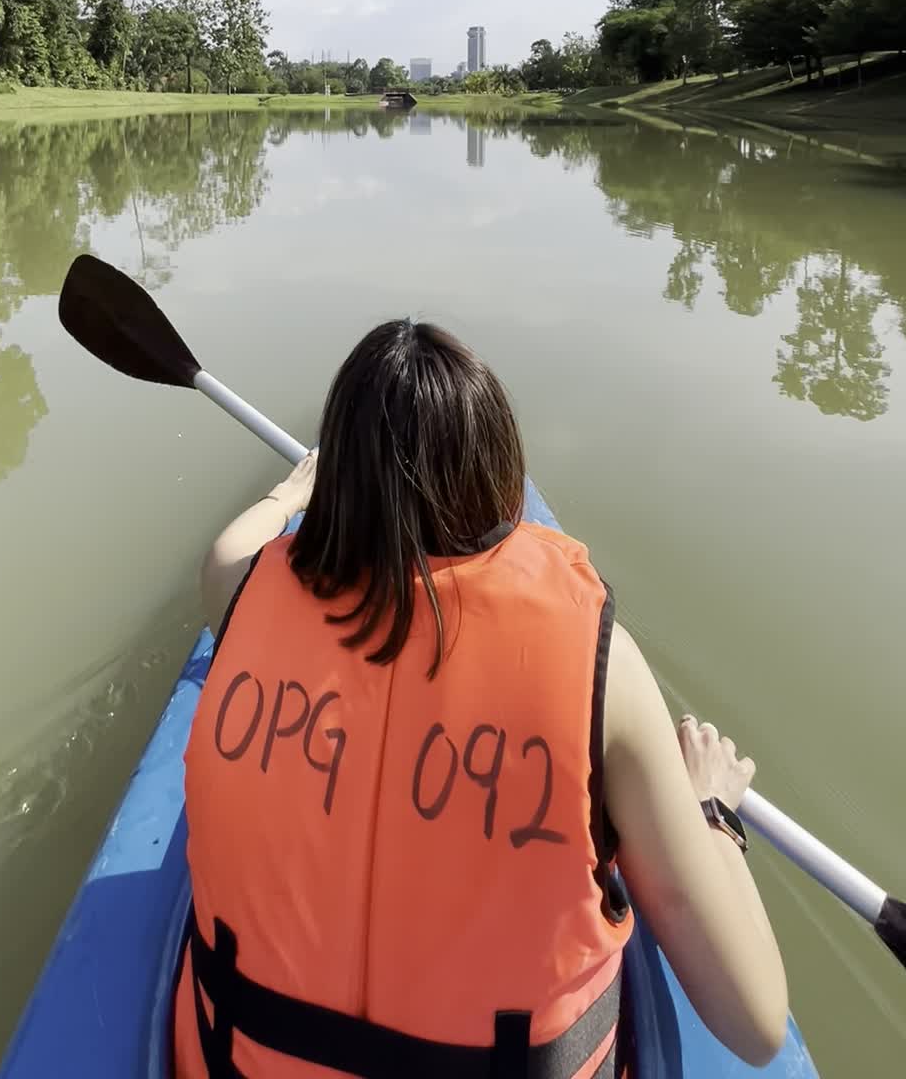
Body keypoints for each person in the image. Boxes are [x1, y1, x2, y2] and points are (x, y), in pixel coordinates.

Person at [175, 320, 788, 1077]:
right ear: (499, 472)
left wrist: (292, 492)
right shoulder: (605, 675)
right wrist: (711, 812)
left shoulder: (238, 591)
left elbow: (231, 547)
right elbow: (757, 1026)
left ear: (342, 485)